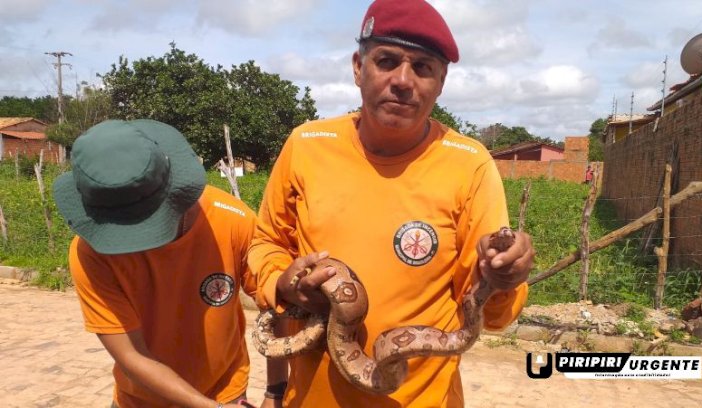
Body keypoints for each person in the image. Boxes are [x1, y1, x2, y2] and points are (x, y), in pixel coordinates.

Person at [249, 0, 535, 406]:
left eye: (423, 67)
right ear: (357, 67)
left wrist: (505, 279)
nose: (403, 80)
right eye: (387, 61)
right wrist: (283, 283)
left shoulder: (468, 164)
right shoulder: (306, 146)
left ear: (441, 81)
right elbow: (265, 244)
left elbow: (493, 318)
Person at [53, 119, 287, 408]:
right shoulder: (91, 253)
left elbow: (275, 306)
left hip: (224, 391)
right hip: (138, 400)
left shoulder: (231, 222)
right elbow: (131, 357)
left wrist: (275, 392)